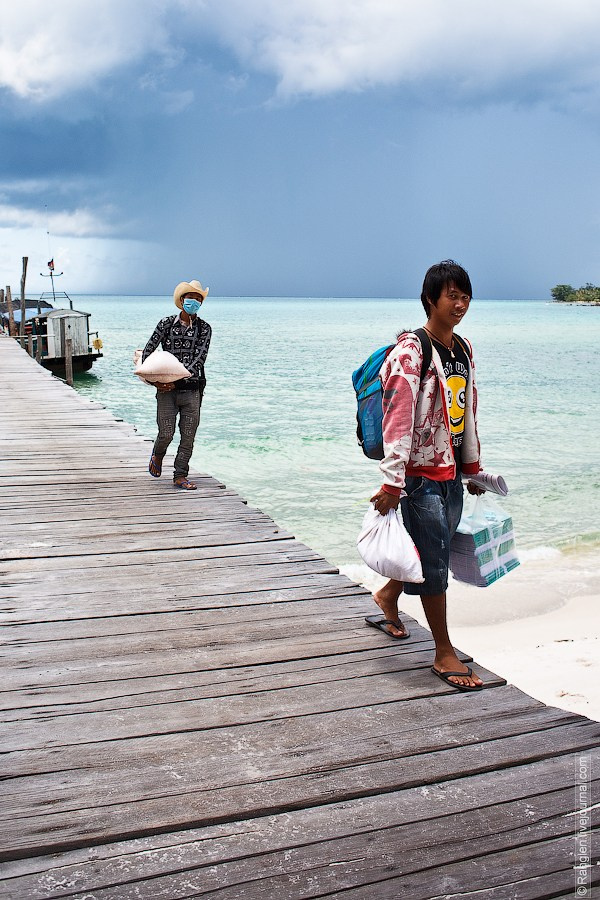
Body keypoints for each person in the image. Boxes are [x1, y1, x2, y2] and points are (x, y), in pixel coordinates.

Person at [368, 260, 485, 692]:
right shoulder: (410, 352)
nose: (460, 303)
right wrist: (392, 482)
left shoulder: (464, 348)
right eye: (451, 295)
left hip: (451, 468)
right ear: (430, 300)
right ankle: (443, 651)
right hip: (417, 474)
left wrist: (472, 467)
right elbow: (396, 419)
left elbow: (466, 409)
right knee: (434, 560)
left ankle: (387, 595)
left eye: (465, 295)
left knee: (429, 545)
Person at [143, 279, 212, 490]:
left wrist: (178, 377)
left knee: (188, 435)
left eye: (198, 299)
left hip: (192, 390)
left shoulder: (205, 329)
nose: (195, 302)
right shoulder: (165, 324)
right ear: (182, 300)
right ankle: (158, 453)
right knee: (166, 432)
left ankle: (180, 475)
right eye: (191, 298)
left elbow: (199, 359)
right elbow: (148, 352)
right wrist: (155, 381)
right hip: (165, 390)